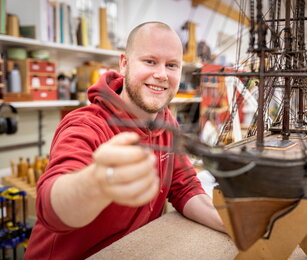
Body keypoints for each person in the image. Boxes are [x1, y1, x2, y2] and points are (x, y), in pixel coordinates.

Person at [25, 22, 225, 259]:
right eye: (150, 61)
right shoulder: (85, 124)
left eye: (171, 65)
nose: (161, 74)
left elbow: (184, 187)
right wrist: (97, 183)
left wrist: (231, 226)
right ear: (124, 63)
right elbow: (50, 208)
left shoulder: (167, 123)